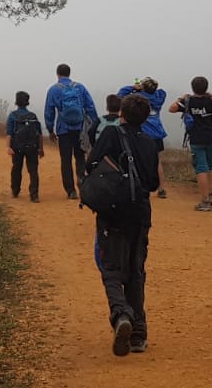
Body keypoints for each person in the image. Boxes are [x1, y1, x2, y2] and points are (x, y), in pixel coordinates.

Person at [86, 93, 161, 357]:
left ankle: (121, 316)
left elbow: (90, 163)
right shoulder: (150, 143)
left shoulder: (111, 135)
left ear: (121, 114)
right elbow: (152, 183)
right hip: (140, 214)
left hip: (113, 213)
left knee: (110, 269)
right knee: (136, 271)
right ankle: (139, 335)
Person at [168, 76, 212, 211]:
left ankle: (204, 202)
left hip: (197, 140)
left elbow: (172, 109)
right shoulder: (211, 101)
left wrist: (181, 98)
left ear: (192, 88)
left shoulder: (188, 102)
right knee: (210, 166)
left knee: (201, 168)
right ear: (206, 88)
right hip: (211, 138)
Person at [44, 63, 100, 200]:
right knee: (80, 157)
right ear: (69, 73)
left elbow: (49, 111)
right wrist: (94, 124)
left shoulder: (53, 90)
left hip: (63, 130)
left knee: (66, 159)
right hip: (80, 129)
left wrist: (50, 129)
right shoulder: (80, 87)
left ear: (57, 74)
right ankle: (81, 181)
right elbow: (90, 106)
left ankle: (70, 191)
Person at [119, 78, 170, 199]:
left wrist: (133, 87)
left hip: (143, 132)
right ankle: (161, 188)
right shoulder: (158, 97)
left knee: (138, 159)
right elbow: (162, 91)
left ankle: (140, 184)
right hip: (157, 132)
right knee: (157, 161)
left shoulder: (139, 98)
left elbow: (120, 95)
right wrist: (149, 86)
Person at [6, 90, 44, 202]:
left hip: (17, 147)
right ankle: (34, 195)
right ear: (27, 102)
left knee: (16, 168)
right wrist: (40, 149)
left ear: (16, 102)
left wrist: (8, 147)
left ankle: (15, 190)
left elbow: (9, 133)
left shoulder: (13, 116)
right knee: (33, 170)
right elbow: (40, 134)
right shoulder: (33, 116)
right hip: (32, 147)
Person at [82, 93, 123, 160]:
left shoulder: (100, 120)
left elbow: (91, 132)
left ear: (107, 108)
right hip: (117, 153)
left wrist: (95, 147)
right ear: (120, 108)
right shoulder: (122, 121)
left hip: (101, 153)